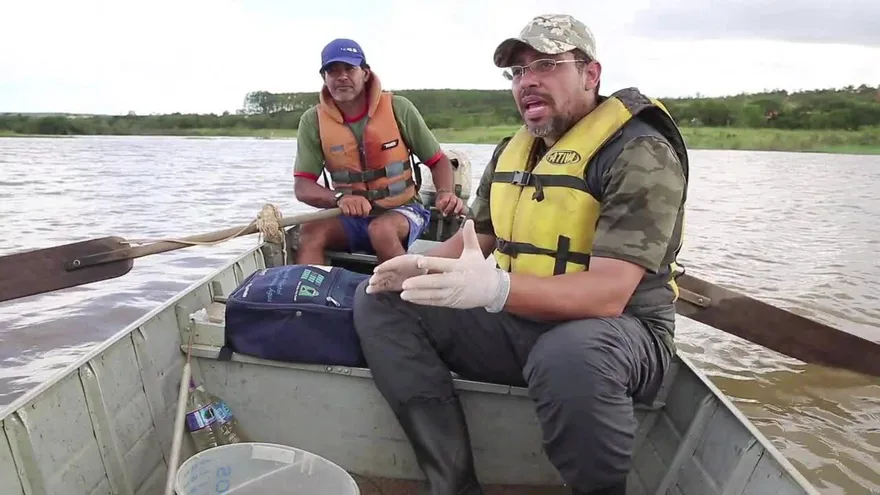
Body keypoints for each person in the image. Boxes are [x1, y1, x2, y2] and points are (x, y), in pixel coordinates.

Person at [352, 13, 690, 495]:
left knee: (571, 355)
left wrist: (496, 288)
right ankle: (453, 484)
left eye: (547, 65)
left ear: (590, 75)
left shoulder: (639, 152)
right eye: (517, 72)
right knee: (384, 299)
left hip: (624, 336)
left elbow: (610, 295)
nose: (528, 82)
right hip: (524, 322)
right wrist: (418, 267)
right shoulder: (512, 150)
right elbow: (478, 239)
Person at [293, 38, 464, 264]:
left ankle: (400, 294)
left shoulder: (398, 107)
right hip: (350, 218)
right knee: (310, 232)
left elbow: (438, 160)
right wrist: (339, 199)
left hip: (405, 210)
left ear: (364, 73)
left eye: (349, 68)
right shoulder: (312, 121)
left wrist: (445, 192)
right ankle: (311, 298)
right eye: (332, 71)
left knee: (381, 230)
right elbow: (303, 187)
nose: (341, 76)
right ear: (324, 78)